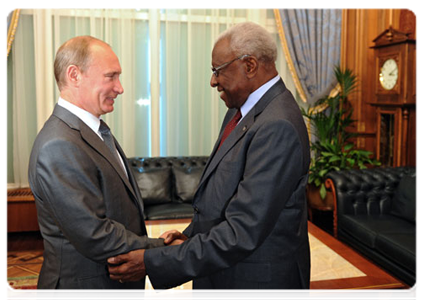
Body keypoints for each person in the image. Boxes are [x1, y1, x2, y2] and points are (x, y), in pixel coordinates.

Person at [108, 22, 311, 300]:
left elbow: (242, 230)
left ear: (249, 65)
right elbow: (220, 198)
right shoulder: (241, 111)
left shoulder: (277, 125)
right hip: (222, 274)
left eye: (218, 71)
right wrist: (188, 237)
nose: (213, 81)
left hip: (255, 285)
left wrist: (152, 262)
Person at [28, 36, 166, 300]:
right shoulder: (59, 144)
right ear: (74, 75)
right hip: (86, 290)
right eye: (110, 76)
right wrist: (162, 248)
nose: (120, 88)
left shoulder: (94, 131)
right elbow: (94, 234)